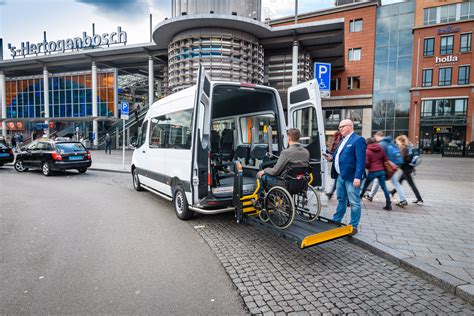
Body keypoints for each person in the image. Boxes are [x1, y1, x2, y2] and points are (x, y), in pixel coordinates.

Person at [323, 119, 366, 235]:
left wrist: (358, 177)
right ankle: (336, 221)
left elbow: (361, 161)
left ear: (350, 127)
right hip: (340, 175)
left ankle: (353, 226)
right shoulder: (342, 140)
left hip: (352, 177)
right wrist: (331, 157)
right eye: (339, 127)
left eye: (342, 126)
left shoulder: (358, 140)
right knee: (341, 199)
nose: (340, 129)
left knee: (354, 202)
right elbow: (339, 156)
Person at [364, 131, 408, 207]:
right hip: (393, 166)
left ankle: (371, 196)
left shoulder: (381, 144)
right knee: (386, 182)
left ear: (378, 136)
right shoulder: (390, 142)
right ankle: (403, 199)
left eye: (375, 137)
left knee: (378, 181)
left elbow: (381, 157)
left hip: (386, 166)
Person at [360, 138, 392, 211]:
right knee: (384, 188)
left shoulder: (367, 150)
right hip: (381, 171)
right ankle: (388, 204)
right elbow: (385, 159)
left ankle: (358, 200)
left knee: (365, 186)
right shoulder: (380, 149)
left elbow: (367, 163)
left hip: (373, 171)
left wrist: (369, 167)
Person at [394, 135, 423, 205]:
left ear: (401, 141)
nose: (396, 142)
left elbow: (401, 160)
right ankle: (392, 192)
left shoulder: (402, 148)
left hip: (406, 170)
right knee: (399, 182)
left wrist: (395, 165)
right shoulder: (407, 147)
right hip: (407, 168)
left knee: (412, 185)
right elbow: (409, 159)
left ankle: (420, 199)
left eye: (397, 141)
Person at [326, 131, 343, 200]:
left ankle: (331, 193)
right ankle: (331, 193)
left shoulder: (337, 143)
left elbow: (334, 154)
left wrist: (328, 153)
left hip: (338, 165)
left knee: (338, 181)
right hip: (339, 165)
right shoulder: (340, 142)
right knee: (338, 181)